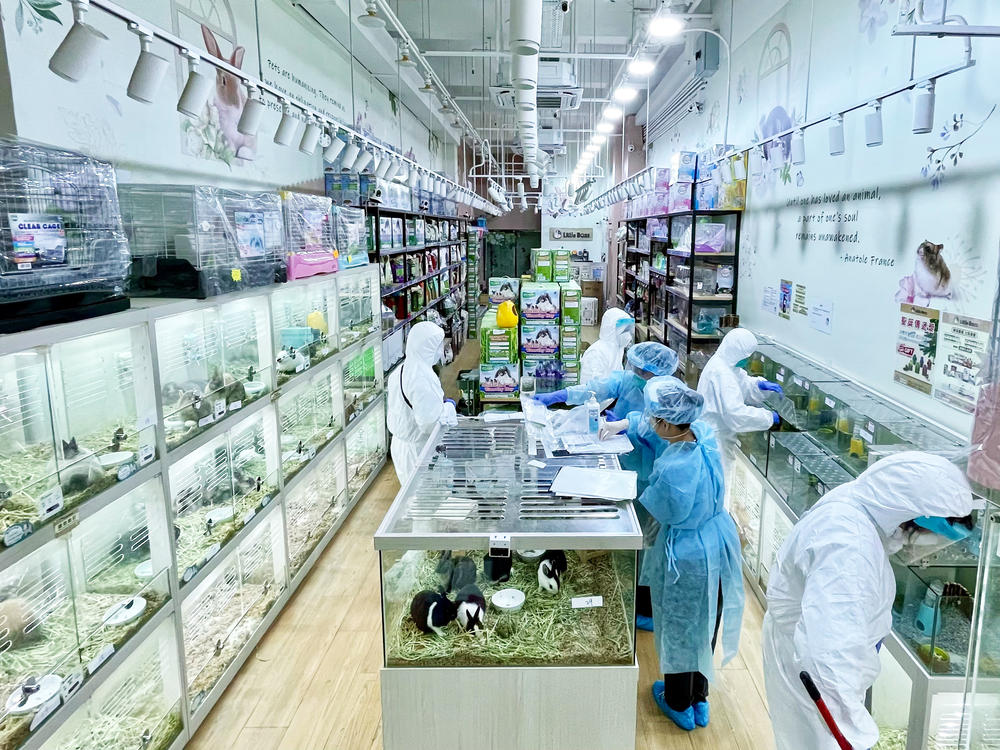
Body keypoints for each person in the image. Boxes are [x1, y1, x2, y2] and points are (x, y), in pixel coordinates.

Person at [763, 452, 974, 750]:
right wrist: (855, 735)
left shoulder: (858, 504)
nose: (930, 545)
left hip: (803, 656)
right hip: (814, 683)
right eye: (932, 535)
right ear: (909, 515)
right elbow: (828, 661)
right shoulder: (850, 548)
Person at [608, 377, 744, 731]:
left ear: (667, 423)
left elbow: (657, 509)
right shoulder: (705, 435)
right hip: (717, 539)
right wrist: (630, 423)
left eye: (655, 421)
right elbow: (655, 426)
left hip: (687, 554)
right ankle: (700, 697)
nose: (651, 425)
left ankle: (678, 702)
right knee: (705, 624)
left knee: (680, 626)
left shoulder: (673, 469)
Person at [697, 328, 781, 476]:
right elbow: (736, 415)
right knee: (719, 483)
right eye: (746, 356)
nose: (748, 359)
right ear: (737, 353)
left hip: (714, 433)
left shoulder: (723, 362)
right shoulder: (722, 374)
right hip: (717, 442)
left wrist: (758, 386)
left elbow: (740, 382)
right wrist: (768, 417)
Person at [386, 322, 457, 484]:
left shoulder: (401, 370)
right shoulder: (422, 377)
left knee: (410, 494)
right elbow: (430, 424)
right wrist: (448, 407)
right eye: (437, 345)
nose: (440, 350)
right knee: (425, 499)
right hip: (419, 451)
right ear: (426, 347)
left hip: (401, 446)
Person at [534, 341, 678, 419]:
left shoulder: (670, 396)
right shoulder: (629, 380)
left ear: (659, 372)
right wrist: (560, 395)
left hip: (649, 453)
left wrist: (629, 427)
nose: (638, 373)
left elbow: (663, 431)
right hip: (617, 440)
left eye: (644, 371)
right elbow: (596, 389)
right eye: (636, 368)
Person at [579, 308, 635, 384]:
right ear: (611, 329)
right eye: (624, 330)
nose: (628, 335)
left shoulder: (618, 349)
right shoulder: (596, 353)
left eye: (629, 330)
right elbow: (591, 387)